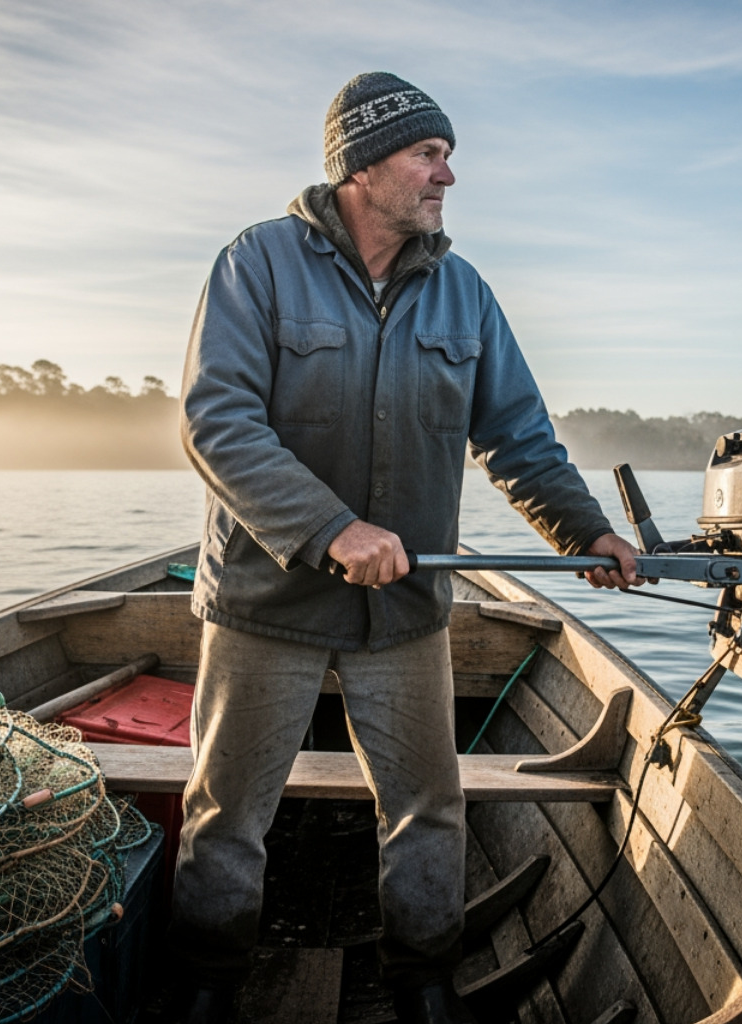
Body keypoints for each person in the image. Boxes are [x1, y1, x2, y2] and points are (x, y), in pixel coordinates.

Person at [172, 72, 641, 1024]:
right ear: (361, 165)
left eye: (447, 155)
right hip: (268, 603)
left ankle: (423, 980)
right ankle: (209, 985)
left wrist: (582, 529)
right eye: (429, 154)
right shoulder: (257, 263)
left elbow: (516, 437)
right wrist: (332, 529)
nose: (448, 175)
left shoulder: (463, 292)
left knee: (430, 813)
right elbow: (215, 422)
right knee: (227, 819)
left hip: (406, 614)